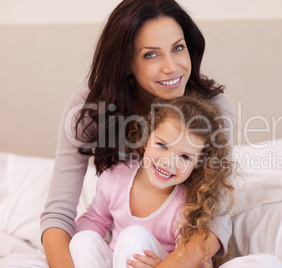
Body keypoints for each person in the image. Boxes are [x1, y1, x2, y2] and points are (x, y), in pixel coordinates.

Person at [39, 0, 235, 267]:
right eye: (151, 54)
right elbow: (58, 214)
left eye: (178, 48)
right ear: (126, 63)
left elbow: (216, 220)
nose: (172, 67)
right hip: (116, 246)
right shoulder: (88, 112)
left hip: (176, 250)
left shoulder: (213, 110)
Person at [68, 95, 234, 268]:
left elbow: (197, 261)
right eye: (162, 145)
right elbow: (96, 219)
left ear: (198, 165)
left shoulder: (187, 205)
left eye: (184, 157)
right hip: (116, 261)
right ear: (146, 139)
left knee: (133, 236)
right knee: (83, 239)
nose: (168, 162)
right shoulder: (116, 177)